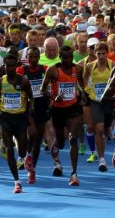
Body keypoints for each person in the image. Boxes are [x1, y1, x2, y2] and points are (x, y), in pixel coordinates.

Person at [41, 45, 85, 186]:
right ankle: (56, 151)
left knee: (73, 138)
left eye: (70, 57)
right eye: (65, 57)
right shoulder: (53, 70)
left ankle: (74, 174)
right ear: (60, 57)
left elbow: (82, 84)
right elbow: (43, 90)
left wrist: (82, 94)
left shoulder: (77, 69)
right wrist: (54, 97)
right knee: (61, 141)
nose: (68, 60)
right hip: (57, 109)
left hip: (73, 108)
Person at [0, 53, 33, 193]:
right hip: (5, 118)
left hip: (20, 118)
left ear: (17, 66)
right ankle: (17, 181)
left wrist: (30, 110)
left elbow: (31, 98)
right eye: (8, 65)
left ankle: (25, 156)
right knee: (9, 149)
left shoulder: (24, 81)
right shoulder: (0, 82)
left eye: (13, 65)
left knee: (21, 150)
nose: (10, 68)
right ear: (4, 65)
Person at [16, 47, 49, 184]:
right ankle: (27, 156)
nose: (34, 60)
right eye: (31, 57)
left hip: (42, 105)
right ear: (27, 58)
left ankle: (32, 170)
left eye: (36, 57)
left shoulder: (45, 69)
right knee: (32, 133)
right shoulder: (21, 71)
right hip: (27, 106)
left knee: (38, 139)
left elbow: (50, 86)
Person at [83, 42, 114, 171]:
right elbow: (84, 80)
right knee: (99, 129)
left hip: (109, 102)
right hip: (95, 101)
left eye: (103, 53)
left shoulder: (114, 66)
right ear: (95, 53)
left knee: (106, 130)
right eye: (98, 53)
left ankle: (103, 149)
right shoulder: (90, 66)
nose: (101, 56)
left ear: (107, 53)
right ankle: (101, 159)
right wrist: (87, 92)